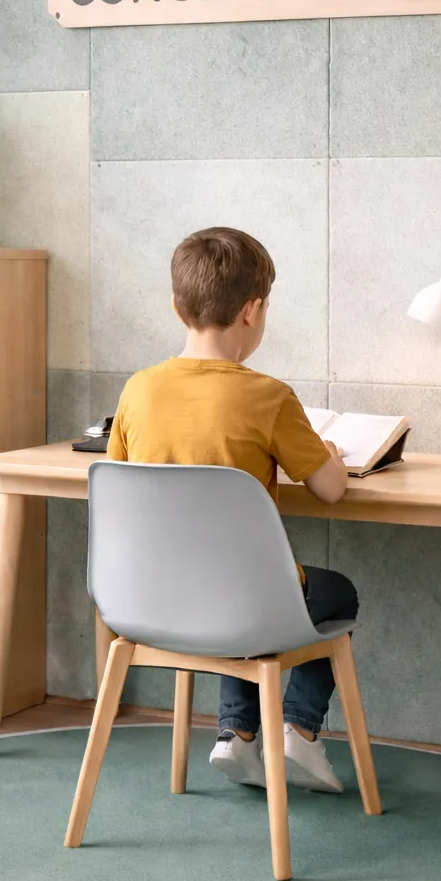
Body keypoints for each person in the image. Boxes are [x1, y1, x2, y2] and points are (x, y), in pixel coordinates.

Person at [106, 225, 357, 794]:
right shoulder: (269, 397)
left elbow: (117, 475)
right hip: (239, 605)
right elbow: (331, 490)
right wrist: (329, 454)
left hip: (148, 600)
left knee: (234, 585)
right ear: (253, 311)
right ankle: (299, 729)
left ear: (177, 307)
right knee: (333, 592)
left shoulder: (137, 391)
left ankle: (237, 736)